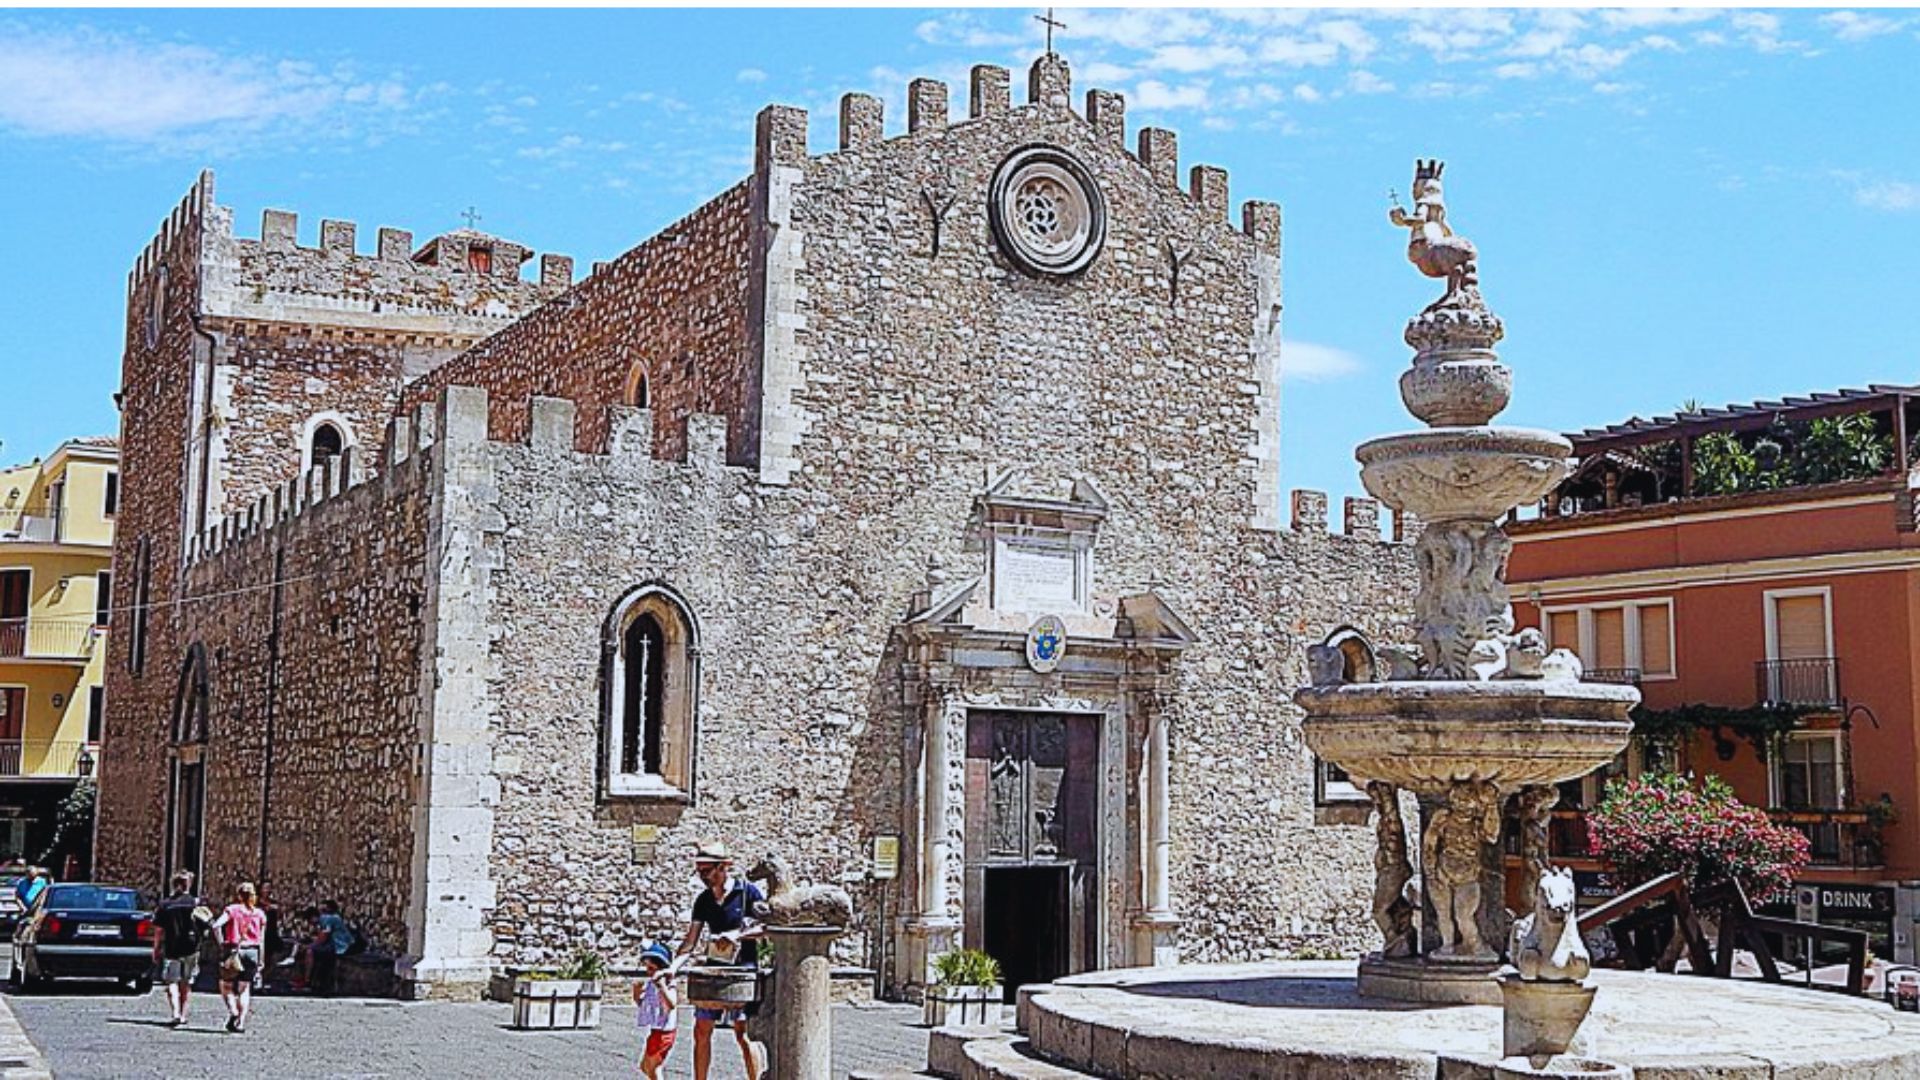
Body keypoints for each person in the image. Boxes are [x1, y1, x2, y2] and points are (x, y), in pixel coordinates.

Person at [675, 841, 765, 1080]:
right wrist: (673, 969)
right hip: (714, 970)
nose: (702, 876)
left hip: (743, 972)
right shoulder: (703, 900)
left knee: (744, 1033)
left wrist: (738, 935)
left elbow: (768, 927)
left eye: (707, 870)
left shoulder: (748, 893)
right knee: (701, 1030)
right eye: (700, 870)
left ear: (723, 867)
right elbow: (690, 941)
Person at [152, 871, 210, 1027]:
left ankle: (175, 1013)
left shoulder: (165, 905)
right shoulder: (196, 903)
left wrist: (156, 948)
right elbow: (207, 925)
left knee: (172, 981)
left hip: (172, 947)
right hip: (192, 947)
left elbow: (158, 931)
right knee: (186, 982)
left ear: (174, 885)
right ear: (188, 885)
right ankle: (183, 1014)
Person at [209, 882, 265, 1033]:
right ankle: (240, 1023)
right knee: (244, 988)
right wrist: (261, 960)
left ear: (239, 895)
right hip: (252, 951)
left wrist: (221, 943)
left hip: (234, 950)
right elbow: (261, 940)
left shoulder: (232, 910)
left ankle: (233, 1011)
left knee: (226, 985)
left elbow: (216, 926)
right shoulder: (259, 914)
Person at [633, 942, 680, 1080]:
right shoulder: (650, 984)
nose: (649, 971)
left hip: (664, 1032)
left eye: (652, 968)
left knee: (654, 1067)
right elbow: (643, 1004)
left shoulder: (668, 983)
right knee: (645, 1066)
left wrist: (662, 987)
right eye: (647, 968)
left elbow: (672, 1004)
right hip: (656, 1030)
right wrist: (636, 994)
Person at [309, 899, 353, 997]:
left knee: (319, 955)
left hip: (340, 946)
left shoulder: (330, 919)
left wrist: (312, 944)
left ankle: (313, 982)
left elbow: (324, 936)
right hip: (336, 945)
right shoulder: (333, 918)